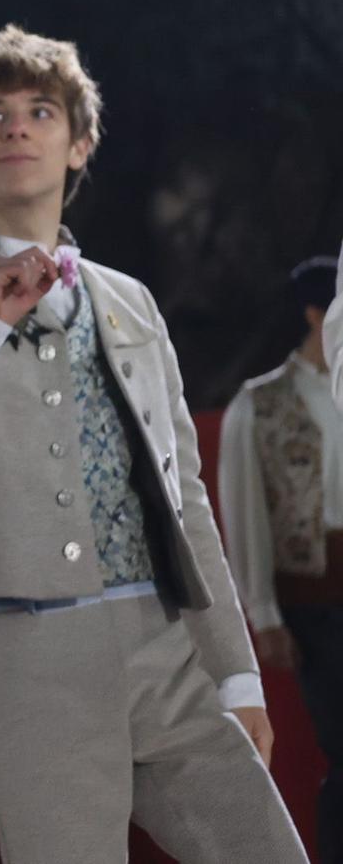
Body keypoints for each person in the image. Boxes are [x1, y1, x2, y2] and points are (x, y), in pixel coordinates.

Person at [0, 25, 303, 862]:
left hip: (166, 643)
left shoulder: (132, 302)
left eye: (40, 111)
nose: (15, 129)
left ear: (79, 143)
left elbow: (183, 494)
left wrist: (236, 670)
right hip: (27, 659)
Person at [222, 256, 343, 861]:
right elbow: (244, 514)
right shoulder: (260, 403)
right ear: (317, 315)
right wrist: (263, 613)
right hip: (318, 601)